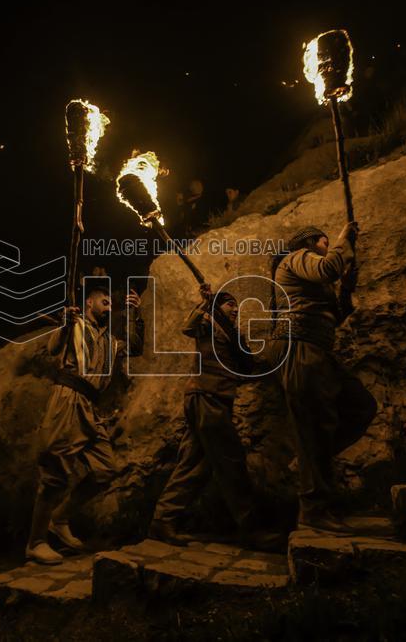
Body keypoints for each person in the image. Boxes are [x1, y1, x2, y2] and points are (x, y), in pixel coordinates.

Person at [149, 283, 281, 549]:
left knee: (194, 464)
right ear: (217, 307)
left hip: (212, 399)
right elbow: (188, 326)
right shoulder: (207, 324)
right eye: (229, 304)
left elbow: (248, 364)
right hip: (207, 399)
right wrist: (206, 304)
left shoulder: (232, 335)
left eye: (237, 306)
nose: (235, 309)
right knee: (231, 462)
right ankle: (251, 528)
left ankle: (163, 520)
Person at [26, 282, 144, 564]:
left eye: (110, 301)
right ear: (89, 303)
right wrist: (65, 324)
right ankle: (36, 541)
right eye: (104, 300)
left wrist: (135, 314)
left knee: (105, 470)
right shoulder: (75, 323)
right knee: (55, 473)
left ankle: (60, 518)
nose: (109, 303)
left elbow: (136, 348)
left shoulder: (110, 340)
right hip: (68, 398)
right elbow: (54, 349)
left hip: (91, 407)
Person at [269, 223, 376, 533]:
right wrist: (345, 241)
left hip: (316, 348)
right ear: (310, 242)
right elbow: (329, 267)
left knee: (360, 407)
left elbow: (334, 316)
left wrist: (346, 287)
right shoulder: (297, 258)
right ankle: (314, 510)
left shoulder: (313, 276)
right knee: (315, 425)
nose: (329, 247)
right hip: (298, 345)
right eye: (325, 242)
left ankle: (307, 462)